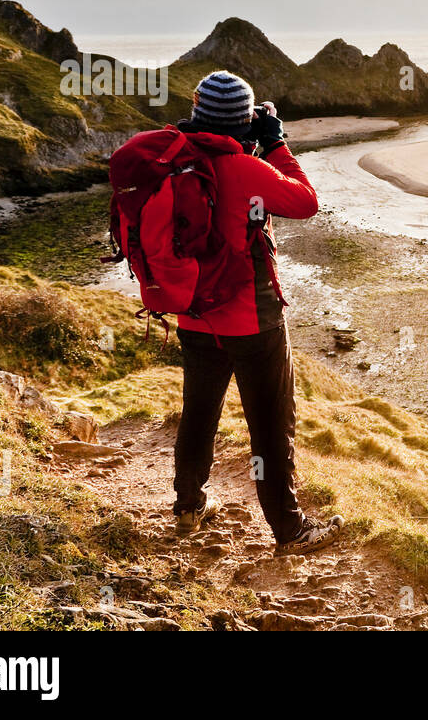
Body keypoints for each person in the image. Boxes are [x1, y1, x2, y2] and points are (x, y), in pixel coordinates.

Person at [169, 70, 342, 556]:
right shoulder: (247, 170)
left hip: (193, 312)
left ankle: (187, 507)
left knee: (198, 414)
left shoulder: (172, 158)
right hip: (251, 318)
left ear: (198, 109)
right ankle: (289, 531)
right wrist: (278, 142)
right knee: (270, 423)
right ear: (244, 122)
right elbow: (305, 202)